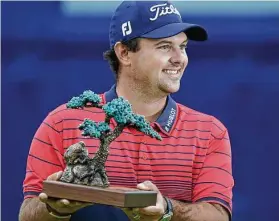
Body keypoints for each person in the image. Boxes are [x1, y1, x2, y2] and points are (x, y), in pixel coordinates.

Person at [19, 1, 234, 221]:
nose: (180, 58)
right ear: (124, 53)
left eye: (183, 46)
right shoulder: (61, 123)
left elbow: (217, 215)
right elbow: (28, 213)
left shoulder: (210, 132)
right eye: (164, 46)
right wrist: (55, 208)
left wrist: (168, 209)